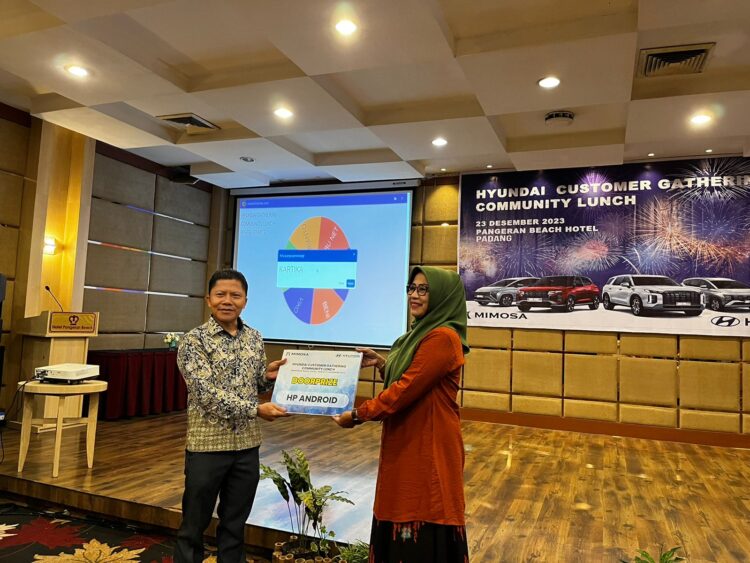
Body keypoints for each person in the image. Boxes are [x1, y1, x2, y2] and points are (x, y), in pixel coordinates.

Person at [334, 266, 470, 563]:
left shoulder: (443, 337)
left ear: (443, 296)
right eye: (411, 288)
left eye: (424, 289)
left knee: (422, 506)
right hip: (407, 438)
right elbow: (413, 380)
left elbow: (404, 390)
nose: (414, 295)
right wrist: (383, 364)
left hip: (427, 443)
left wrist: (357, 415)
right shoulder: (419, 334)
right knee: (401, 502)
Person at [175, 268, 289, 563]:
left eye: (235, 295)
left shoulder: (254, 338)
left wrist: (268, 377)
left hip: (246, 446)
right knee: (193, 524)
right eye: (220, 294)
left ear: (245, 301)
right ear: (208, 299)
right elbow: (205, 394)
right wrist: (255, 410)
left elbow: (254, 385)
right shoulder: (194, 341)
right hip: (207, 446)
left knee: (235, 524)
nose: (228, 301)